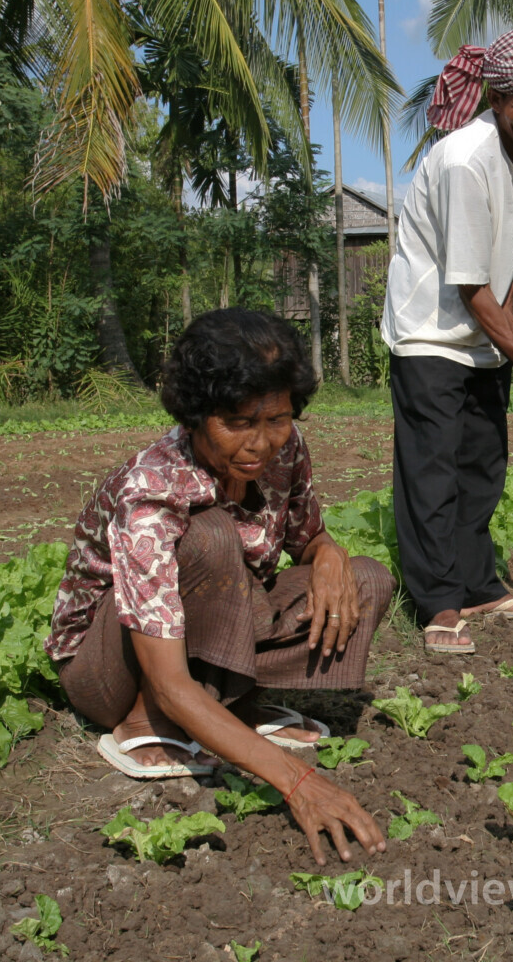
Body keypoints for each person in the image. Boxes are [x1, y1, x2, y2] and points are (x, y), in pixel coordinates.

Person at [47, 308, 391, 866]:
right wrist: (298, 783)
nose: (261, 443)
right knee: (209, 535)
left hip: (210, 632)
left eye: (276, 419)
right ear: (196, 416)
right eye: (237, 423)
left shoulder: (284, 451)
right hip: (111, 667)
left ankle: (233, 709)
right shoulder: (153, 491)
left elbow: (309, 538)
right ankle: (146, 725)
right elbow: (169, 680)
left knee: (367, 581)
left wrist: (330, 553)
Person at [381, 22, 513, 655]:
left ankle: (478, 585)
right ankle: (437, 602)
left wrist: (509, 342)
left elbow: (511, 258)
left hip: (485, 332)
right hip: (431, 333)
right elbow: (469, 286)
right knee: (433, 471)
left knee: (483, 465)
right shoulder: (465, 160)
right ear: (497, 100)